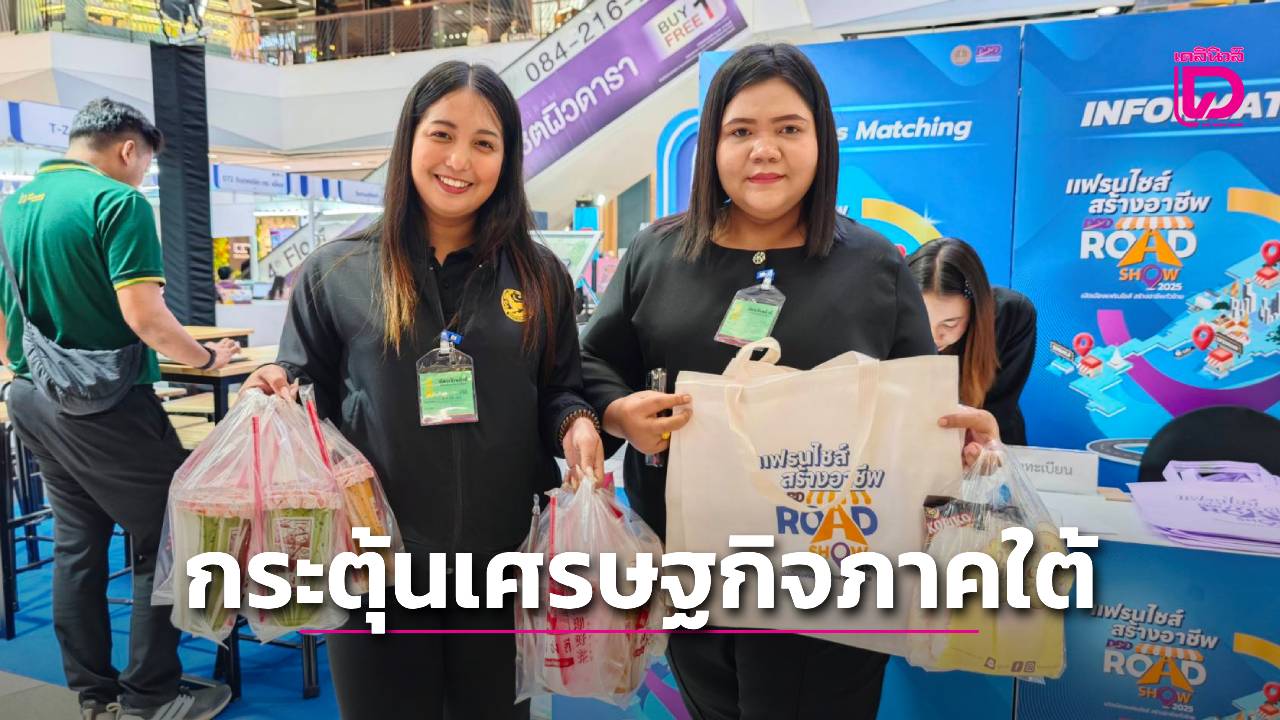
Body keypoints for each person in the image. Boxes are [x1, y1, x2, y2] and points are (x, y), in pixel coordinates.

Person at [579, 44, 1001, 720]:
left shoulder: (874, 265)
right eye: (741, 130)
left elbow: (922, 407)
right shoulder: (659, 254)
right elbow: (594, 363)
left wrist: (962, 443)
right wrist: (617, 412)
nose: (764, 150)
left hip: (832, 582)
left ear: (821, 139)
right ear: (712, 144)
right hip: (695, 573)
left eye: (788, 128)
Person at [240, 61, 604, 720]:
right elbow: (305, 393)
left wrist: (575, 421)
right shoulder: (336, 270)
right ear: (410, 138)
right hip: (374, 567)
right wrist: (275, 387)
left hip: (502, 566)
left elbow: (558, 387)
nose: (459, 160)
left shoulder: (539, 274)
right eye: (441, 134)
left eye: (484, 143)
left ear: (506, 159)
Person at [0, 98, 237, 720]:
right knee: (178, 532)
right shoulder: (118, 202)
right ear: (129, 149)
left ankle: (95, 695)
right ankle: (150, 696)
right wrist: (206, 359)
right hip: (103, 405)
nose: (143, 175)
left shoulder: (13, 207)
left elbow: (4, 325)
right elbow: (145, 317)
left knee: (79, 545)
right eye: (146, 164)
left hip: (30, 395)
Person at [907, 237, 1037, 445]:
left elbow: (1000, 407)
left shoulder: (1012, 315)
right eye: (921, 320)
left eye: (950, 324)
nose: (934, 336)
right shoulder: (888, 316)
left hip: (990, 441)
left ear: (976, 308)